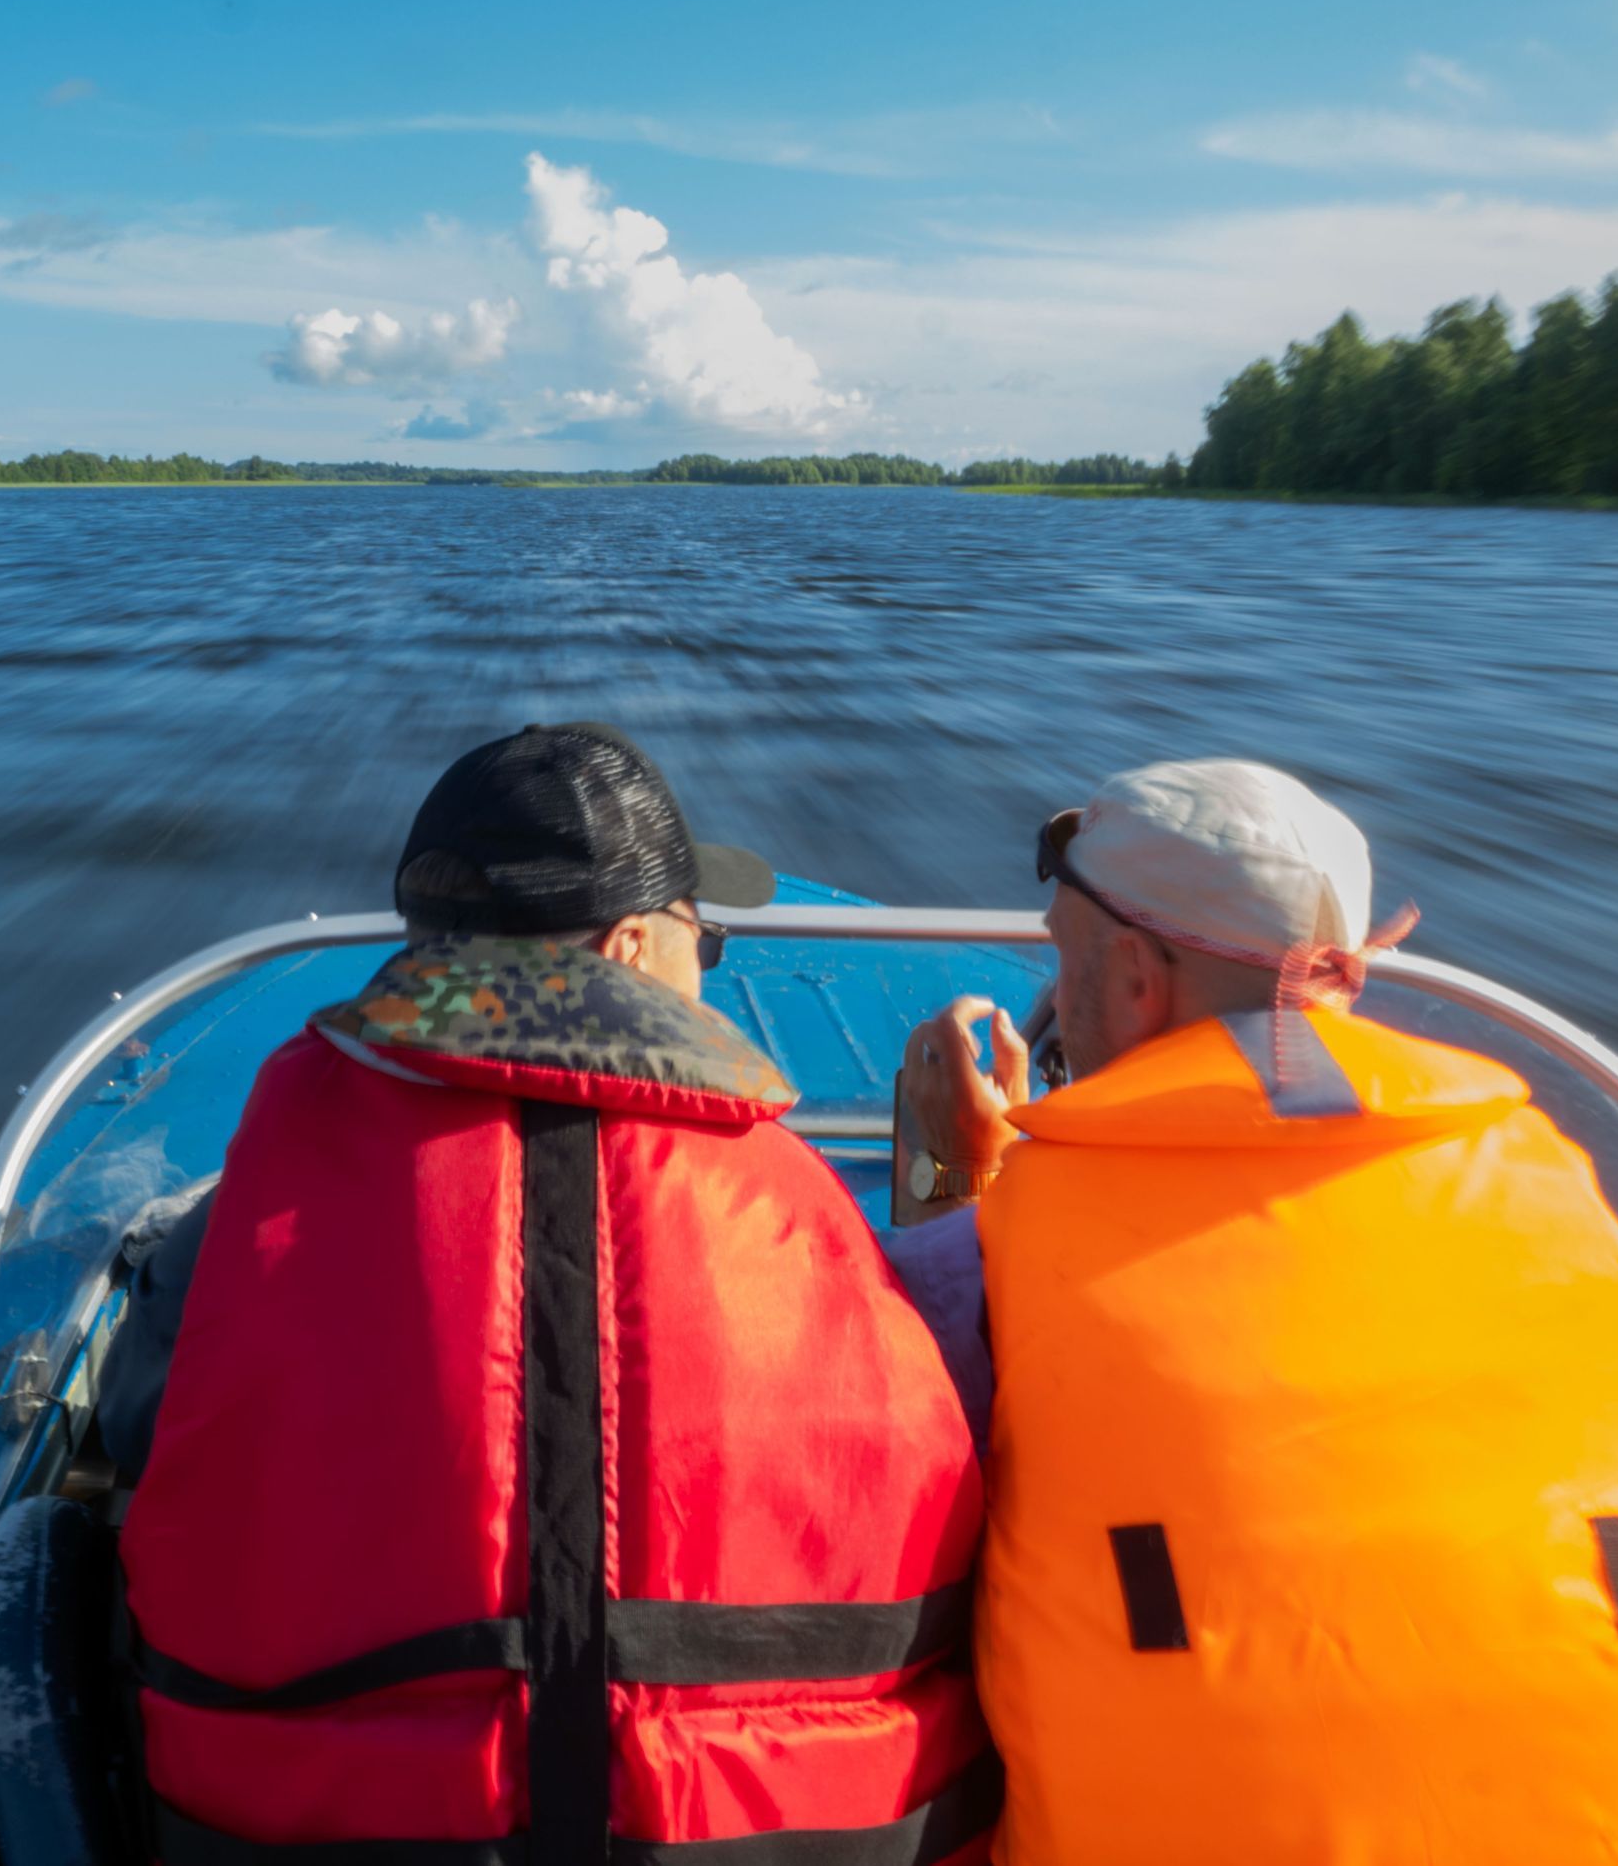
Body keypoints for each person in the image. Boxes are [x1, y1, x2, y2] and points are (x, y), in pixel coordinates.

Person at [103, 723, 995, 1864]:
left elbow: (141, 1427)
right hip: (766, 1829)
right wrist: (955, 1194)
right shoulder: (789, 1200)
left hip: (316, 1830)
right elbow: (952, 1440)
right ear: (631, 948)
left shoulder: (276, 1169)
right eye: (705, 941)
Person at [899, 758, 1618, 1866]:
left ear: (1135, 980)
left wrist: (952, 1181)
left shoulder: (1011, 1235)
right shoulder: (1548, 1171)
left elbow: (905, 1458)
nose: (1059, 1000)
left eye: (1065, 962)